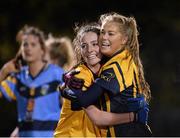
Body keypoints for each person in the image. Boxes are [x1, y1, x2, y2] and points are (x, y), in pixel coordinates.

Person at [62, 12, 152, 137]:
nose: (104, 37)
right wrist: (133, 116)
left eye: (94, 44)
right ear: (79, 49)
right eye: (103, 32)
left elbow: (87, 101)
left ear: (124, 39)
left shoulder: (117, 65)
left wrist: (70, 89)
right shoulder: (82, 73)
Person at [0, 25, 64, 137]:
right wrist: (3, 72)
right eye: (25, 44)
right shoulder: (18, 77)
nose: (28, 48)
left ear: (42, 49)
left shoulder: (57, 75)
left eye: (33, 44)